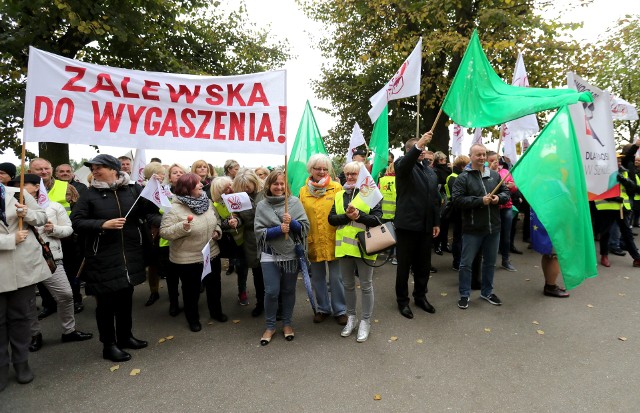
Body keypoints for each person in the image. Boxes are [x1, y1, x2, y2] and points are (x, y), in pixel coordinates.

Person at [71, 154, 157, 362]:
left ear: (114, 169)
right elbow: (77, 222)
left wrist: (157, 200)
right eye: (93, 167)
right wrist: (102, 224)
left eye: (99, 166)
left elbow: (148, 212)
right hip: (102, 257)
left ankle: (125, 336)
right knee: (106, 305)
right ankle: (108, 345)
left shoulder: (133, 190)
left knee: (125, 300)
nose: (95, 170)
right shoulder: (89, 195)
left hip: (130, 254)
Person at [8, 175, 93, 353]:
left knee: (65, 294)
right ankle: (34, 334)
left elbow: (69, 229)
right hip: (22, 260)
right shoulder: (7, 207)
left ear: (36, 187)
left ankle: (69, 330)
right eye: (15, 185)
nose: (19, 189)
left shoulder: (53, 206)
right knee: (28, 301)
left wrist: (53, 229)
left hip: (49, 257)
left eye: (24, 185)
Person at [160, 173, 226, 332]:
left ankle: (216, 312)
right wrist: (182, 227)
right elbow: (164, 232)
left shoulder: (207, 201)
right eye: (197, 184)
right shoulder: (173, 208)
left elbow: (216, 221)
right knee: (191, 291)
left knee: (214, 286)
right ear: (187, 188)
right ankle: (193, 319)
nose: (202, 185)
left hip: (211, 253)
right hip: (187, 259)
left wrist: (217, 231)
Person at [0, 179, 49, 390]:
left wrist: (27, 213)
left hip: (22, 268)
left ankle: (22, 362)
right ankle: (1, 367)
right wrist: (8, 240)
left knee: (21, 317)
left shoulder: (18, 193)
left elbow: (41, 217)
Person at [452, 144, 511, 310]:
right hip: (472, 229)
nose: (482, 157)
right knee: (466, 264)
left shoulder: (494, 175)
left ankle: (487, 292)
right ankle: (464, 294)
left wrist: (497, 199)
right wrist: (480, 201)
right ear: (470, 156)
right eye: (478, 154)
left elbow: (506, 193)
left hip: (494, 228)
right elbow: (457, 201)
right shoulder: (463, 178)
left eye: (484, 154)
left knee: (490, 263)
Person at [328, 161, 382, 342]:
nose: (350, 177)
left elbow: (377, 219)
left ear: (362, 176)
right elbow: (332, 219)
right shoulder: (340, 195)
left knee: (366, 285)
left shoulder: (370, 193)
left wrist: (359, 216)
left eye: (354, 174)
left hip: (365, 247)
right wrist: (347, 216)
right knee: (348, 285)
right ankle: (351, 318)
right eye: (348, 174)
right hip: (344, 248)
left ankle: (365, 321)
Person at [254, 169, 309, 345]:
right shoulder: (262, 205)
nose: (279, 187)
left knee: (288, 290)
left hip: (290, 254)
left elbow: (305, 228)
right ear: (269, 185)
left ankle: (287, 324)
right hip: (269, 254)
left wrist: (292, 222)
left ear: (286, 185)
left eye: (282, 183)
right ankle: (270, 326)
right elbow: (258, 232)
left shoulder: (294, 202)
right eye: (275, 183)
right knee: (271, 292)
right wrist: (278, 230)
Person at [394, 132, 441, 319]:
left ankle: (420, 296)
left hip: (426, 226)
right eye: (418, 148)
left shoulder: (429, 171)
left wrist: (436, 222)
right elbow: (406, 162)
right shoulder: (402, 165)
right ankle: (402, 301)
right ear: (408, 150)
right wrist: (419, 144)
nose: (422, 152)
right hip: (407, 225)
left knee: (423, 265)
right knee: (404, 266)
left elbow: (435, 199)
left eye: (423, 149)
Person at [28, 158, 83, 316]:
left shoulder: (67, 187)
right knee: (43, 274)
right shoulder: (24, 188)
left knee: (70, 271)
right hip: (39, 240)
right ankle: (48, 304)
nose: (44, 172)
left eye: (47, 168)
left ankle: (75, 300)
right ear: (31, 172)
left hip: (66, 239)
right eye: (39, 169)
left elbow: (78, 211)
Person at [299, 154, 346, 325]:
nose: (321, 171)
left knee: (337, 278)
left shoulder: (337, 188)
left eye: (325, 168)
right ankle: (323, 308)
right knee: (317, 278)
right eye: (318, 168)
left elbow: (342, 213)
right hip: (313, 241)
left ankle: (340, 310)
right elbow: (301, 216)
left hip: (334, 239)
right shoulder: (303, 191)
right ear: (310, 170)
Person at [595, 153, 640, 268]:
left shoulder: (623, 171)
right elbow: (597, 190)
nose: (619, 162)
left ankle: (636, 257)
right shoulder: (601, 172)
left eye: (620, 160)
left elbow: (633, 187)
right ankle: (604, 256)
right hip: (607, 207)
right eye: (616, 160)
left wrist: (624, 180)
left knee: (627, 233)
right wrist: (613, 198)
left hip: (622, 208)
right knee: (606, 233)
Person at [210, 176, 249, 306]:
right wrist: (228, 223)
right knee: (238, 266)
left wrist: (238, 220)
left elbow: (246, 216)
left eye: (230, 185)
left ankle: (242, 291)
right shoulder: (215, 205)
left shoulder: (240, 198)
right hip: (230, 242)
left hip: (245, 238)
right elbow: (217, 223)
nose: (230, 189)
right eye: (225, 188)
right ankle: (238, 292)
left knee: (243, 267)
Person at [233, 168, 266, 317]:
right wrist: (235, 220)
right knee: (257, 273)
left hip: (268, 236)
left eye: (248, 185)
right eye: (242, 186)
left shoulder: (265, 192)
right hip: (251, 239)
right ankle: (260, 302)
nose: (246, 189)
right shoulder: (237, 197)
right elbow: (239, 217)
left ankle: (277, 304)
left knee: (272, 273)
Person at [162, 163, 188, 316]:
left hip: (186, 240)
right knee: (171, 277)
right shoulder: (162, 194)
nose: (178, 174)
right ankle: (173, 303)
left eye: (181, 172)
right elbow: (150, 214)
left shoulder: (191, 193)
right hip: (166, 240)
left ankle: (188, 302)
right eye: (174, 172)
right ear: (169, 177)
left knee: (186, 276)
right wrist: (166, 221)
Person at [141, 162, 167, 307]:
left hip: (165, 229)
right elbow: (147, 213)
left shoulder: (165, 189)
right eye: (161, 173)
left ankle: (173, 293)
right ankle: (154, 291)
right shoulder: (145, 190)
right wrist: (163, 221)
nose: (163, 176)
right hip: (152, 232)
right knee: (154, 263)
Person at [487, 152, 517, 272]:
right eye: (491, 160)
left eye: (497, 160)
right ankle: (489, 261)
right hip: (491, 209)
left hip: (506, 207)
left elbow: (514, 188)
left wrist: (512, 186)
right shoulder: (484, 172)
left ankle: (505, 260)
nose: (495, 162)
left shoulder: (505, 172)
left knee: (506, 235)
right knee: (490, 235)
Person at [530, 210, 570, 297]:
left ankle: (549, 282)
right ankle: (550, 286)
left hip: (545, 215)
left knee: (548, 254)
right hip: (552, 217)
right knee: (554, 255)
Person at [446, 155, 470, 271]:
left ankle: (462, 261)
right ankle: (457, 262)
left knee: (463, 237)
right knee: (458, 237)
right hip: (457, 210)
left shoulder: (460, 176)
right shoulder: (453, 178)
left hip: (462, 210)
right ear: (462, 166)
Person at [433, 151, 452, 255]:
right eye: (441, 159)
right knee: (439, 222)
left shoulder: (448, 170)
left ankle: (444, 244)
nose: (444, 161)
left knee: (446, 222)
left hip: (447, 198)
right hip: (440, 198)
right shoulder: (435, 170)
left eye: (444, 159)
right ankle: (437, 245)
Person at [379, 161, 397, 264]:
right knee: (396, 235)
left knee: (387, 234)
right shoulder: (399, 180)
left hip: (383, 212)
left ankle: (388, 254)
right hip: (396, 212)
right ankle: (395, 256)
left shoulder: (381, 180)